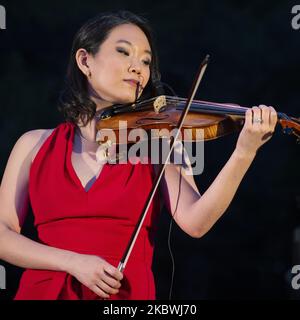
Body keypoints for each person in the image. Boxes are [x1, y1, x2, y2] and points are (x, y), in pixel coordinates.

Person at [0, 10, 277, 300]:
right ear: (85, 60)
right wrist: (72, 262)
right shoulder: (33, 145)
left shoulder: (158, 142)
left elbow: (196, 222)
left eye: (145, 61)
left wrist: (244, 152)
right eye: (124, 52)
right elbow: (3, 235)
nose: (138, 68)